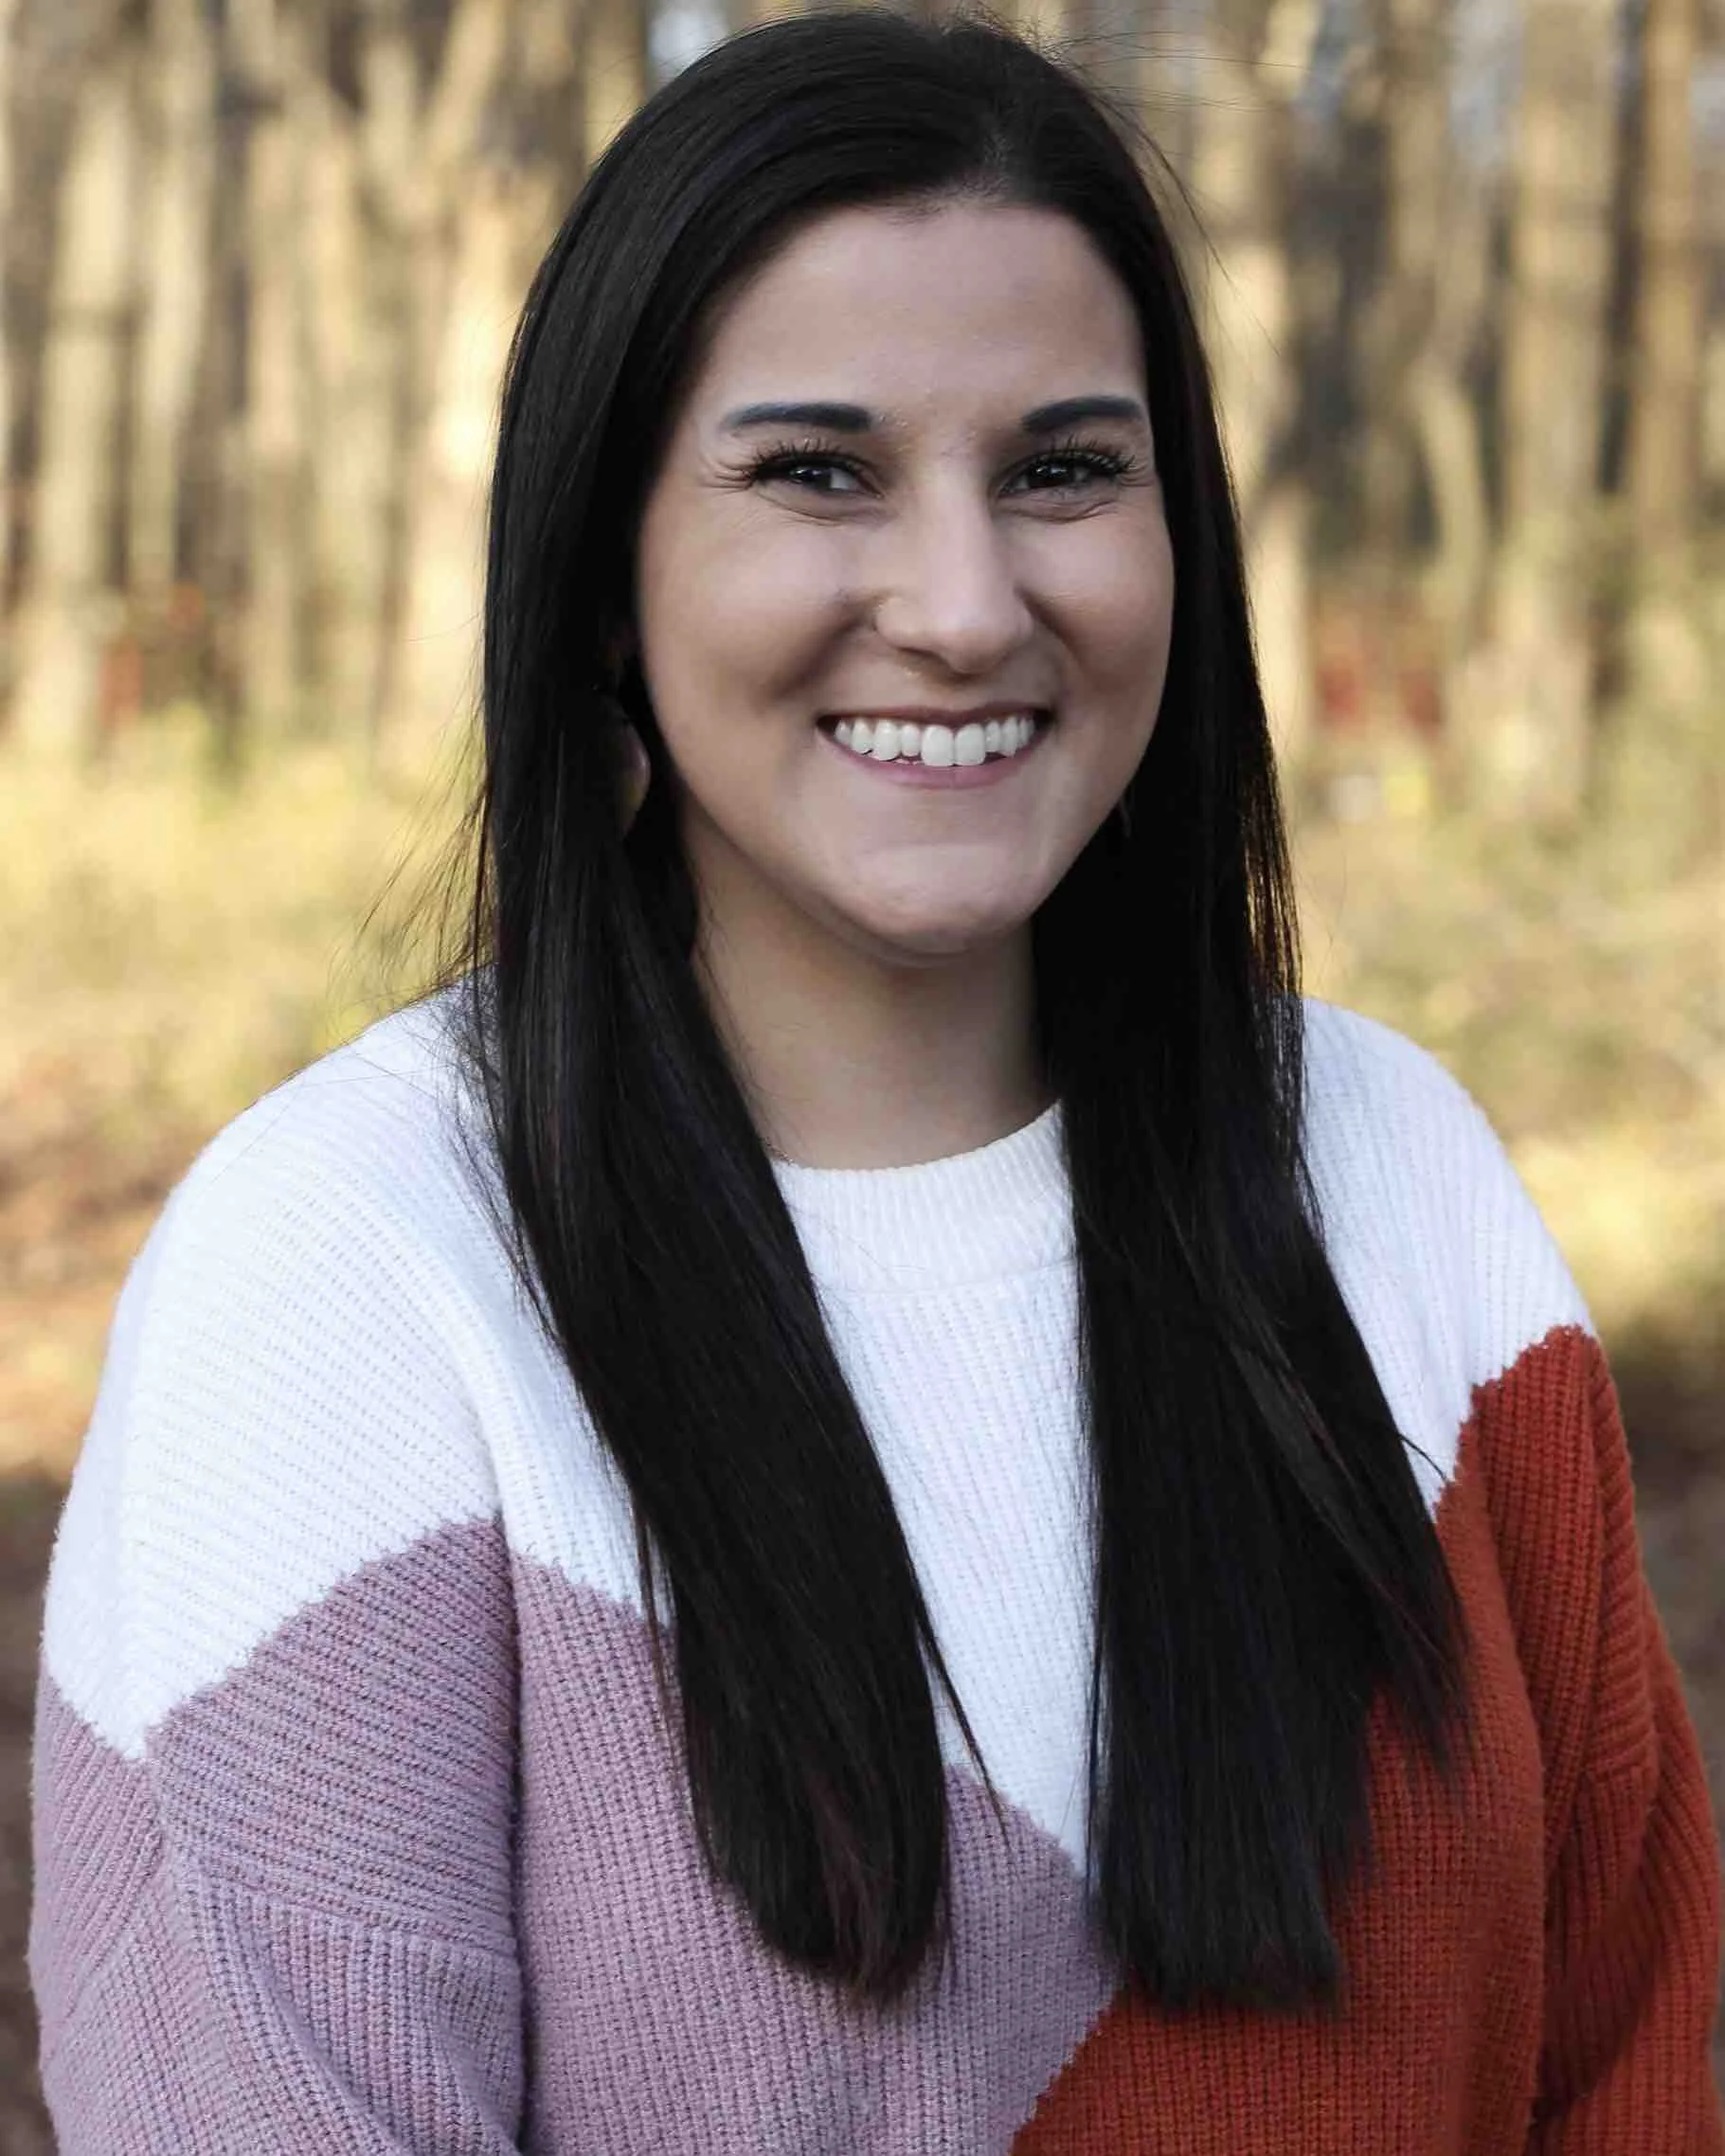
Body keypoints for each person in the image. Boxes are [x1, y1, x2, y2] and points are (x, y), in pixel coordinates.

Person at [28, 9, 1722, 2151]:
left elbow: (1621, 2067)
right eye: (816, 472)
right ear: (603, 571)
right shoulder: (348, 1275)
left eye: (1062, 471)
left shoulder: (1394, 1173)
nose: (959, 602)